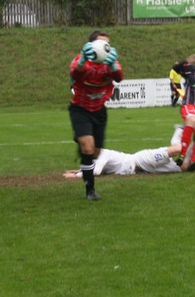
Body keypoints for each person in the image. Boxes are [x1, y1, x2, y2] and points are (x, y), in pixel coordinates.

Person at [69, 30, 122, 201]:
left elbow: (119, 77)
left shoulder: (110, 62)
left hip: (99, 110)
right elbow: (74, 73)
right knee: (88, 148)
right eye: (101, 44)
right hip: (80, 109)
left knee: (95, 153)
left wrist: (113, 65)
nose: (105, 47)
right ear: (91, 46)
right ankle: (90, 190)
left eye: (108, 44)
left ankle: (83, 144)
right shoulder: (80, 60)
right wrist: (84, 59)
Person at [62, 144, 188, 179]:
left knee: (176, 150)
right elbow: (94, 168)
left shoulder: (103, 155)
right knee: (184, 167)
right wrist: (78, 171)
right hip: (143, 168)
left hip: (141, 160)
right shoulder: (98, 158)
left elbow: (96, 172)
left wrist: (75, 176)